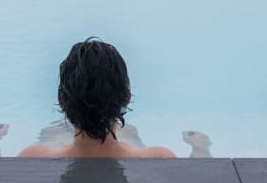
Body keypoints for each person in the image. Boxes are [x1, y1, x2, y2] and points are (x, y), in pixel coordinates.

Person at [18, 38, 175, 158]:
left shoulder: (30, 158)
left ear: (61, 101)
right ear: (126, 98)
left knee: (50, 134)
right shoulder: (161, 158)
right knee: (130, 132)